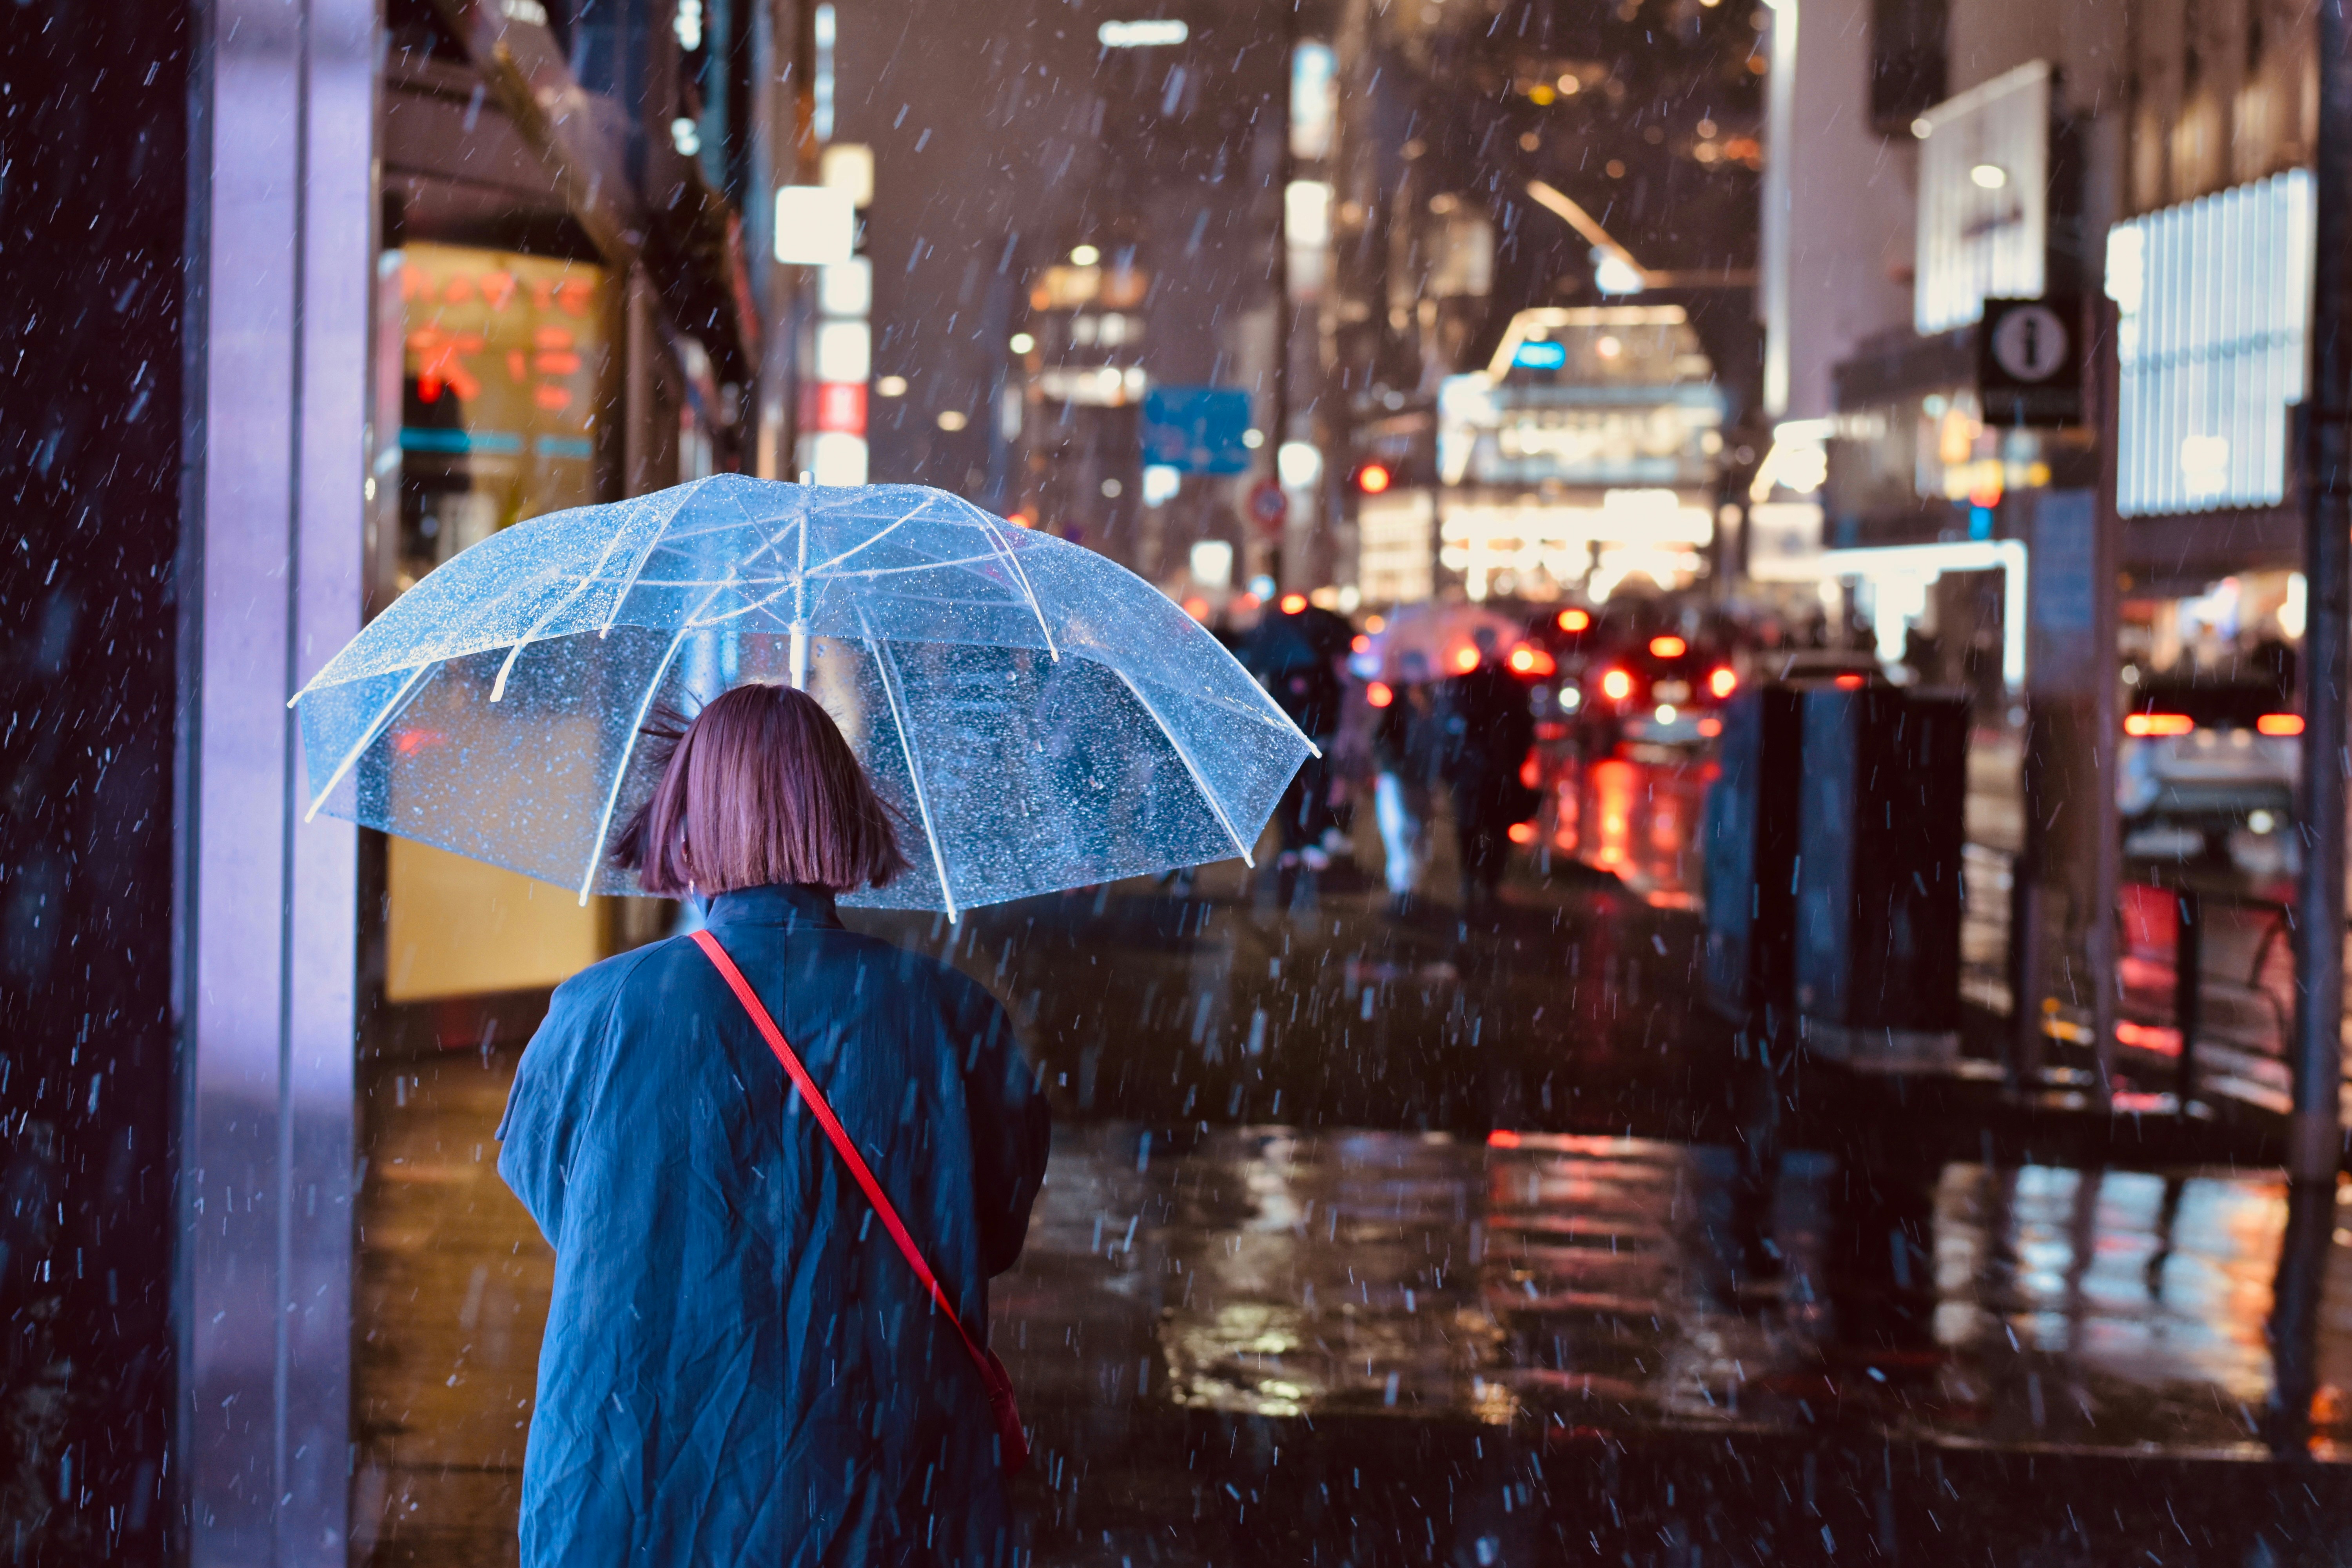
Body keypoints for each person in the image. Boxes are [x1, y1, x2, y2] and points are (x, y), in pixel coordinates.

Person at [497, 682, 1049, 1567]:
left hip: (641, 1482)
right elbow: (991, 1226)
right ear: (842, 812)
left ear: (685, 817)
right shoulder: (955, 1020)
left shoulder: (598, 1013)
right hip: (891, 1482)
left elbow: (569, 1211)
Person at [1437, 628, 1538, 914]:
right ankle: (1475, 881)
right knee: (1472, 827)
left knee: (1493, 829)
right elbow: (1453, 727)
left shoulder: (1509, 685)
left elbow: (1524, 728)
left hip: (1495, 770)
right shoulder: (1467, 683)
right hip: (1476, 771)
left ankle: (1487, 883)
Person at [1371, 648, 1443, 916]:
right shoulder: (1395, 700)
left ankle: (1413, 886)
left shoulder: (1434, 700)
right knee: (1400, 829)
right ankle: (1403, 888)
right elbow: (1382, 737)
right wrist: (1393, 764)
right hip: (1400, 776)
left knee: (1420, 831)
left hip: (1423, 776)